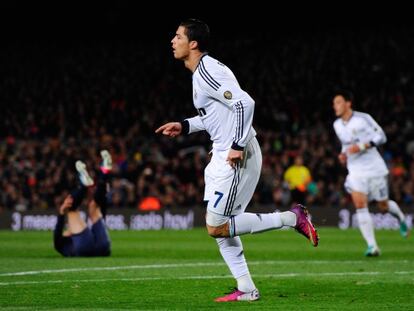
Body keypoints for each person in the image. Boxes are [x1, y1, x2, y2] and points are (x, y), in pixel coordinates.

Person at [155, 18, 319, 302]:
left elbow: (245, 103)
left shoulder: (207, 71)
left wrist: (237, 145)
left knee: (216, 226)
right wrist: (184, 125)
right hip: (223, 152)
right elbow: (215, 116)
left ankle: (292, 218)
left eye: (178, 36)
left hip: (235, 156)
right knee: (221, 227)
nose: (172, 40)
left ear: (193, 43)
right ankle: (245, 287)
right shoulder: (201, 74)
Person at [332, 90, 409, 257]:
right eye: (334, 103)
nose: (335, 106)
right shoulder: (337, 125)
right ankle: (372, 246)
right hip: (355, 170)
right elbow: (346, 145)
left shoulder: (363, 118)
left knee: (383, 206)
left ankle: (401, 218)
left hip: (374, 168)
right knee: (360, 204)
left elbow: (381, 136)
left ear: (348, 103)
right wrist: (343, 154)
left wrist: (361, 147)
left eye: (338, 102)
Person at [53, 150, 112, 257]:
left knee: (80, 209)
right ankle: (102, 176)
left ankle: (85, 185)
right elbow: (102, 215)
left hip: (88, 248)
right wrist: (61, 212)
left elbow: (57, 234)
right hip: (102, 247)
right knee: (92, 207)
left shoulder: (62, 246)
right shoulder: (62, 244)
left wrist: (62, 213)